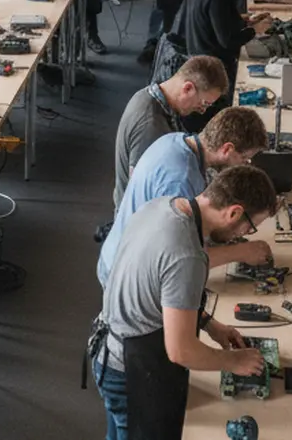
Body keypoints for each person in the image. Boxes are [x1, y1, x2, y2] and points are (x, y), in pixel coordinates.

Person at [89, 166, 275, 440]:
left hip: (108, 349)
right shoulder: (188, 255)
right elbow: (181, 351)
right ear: (234, 212)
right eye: (249, 226)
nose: (244, 234)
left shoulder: (164, 205)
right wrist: (233, 361)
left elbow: (158, 288)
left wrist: (209, 324)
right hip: (129, 372)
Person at [98, 106, 272, 287]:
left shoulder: (177, 141)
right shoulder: (180, 182)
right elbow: (179, 258)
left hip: (121, 250)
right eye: (245, 158)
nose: (245, 164)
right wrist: (241, 252)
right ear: (227, 149)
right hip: (123, 274)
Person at [177, 0, 275, 131]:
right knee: (217, 124)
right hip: (214, 68)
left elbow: (217, 22)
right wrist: (254, 30)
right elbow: (228, 40)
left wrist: (243, 20)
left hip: (200, 58)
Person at [113, 55, 229, 207]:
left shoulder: (149, 96)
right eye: (204, 103)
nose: (202, 110)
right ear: (187, 88)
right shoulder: (151, 126)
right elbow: (148, 195)